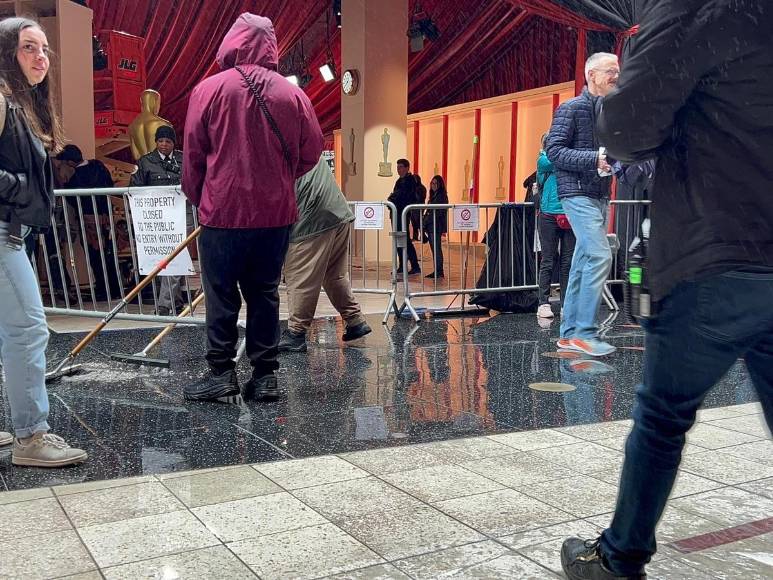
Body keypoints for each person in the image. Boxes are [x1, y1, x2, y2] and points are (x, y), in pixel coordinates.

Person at [560, 2, 773, 579]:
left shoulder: (693, 8)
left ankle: (619, 558)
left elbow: (628, 127)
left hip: (715, 245)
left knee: (662, 415)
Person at [182, 13, 323, 403]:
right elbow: (311, 152)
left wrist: (201, 199)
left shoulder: (207, 90)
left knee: (221, 294)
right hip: (274, 216)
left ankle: (221, 374)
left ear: (232, 42)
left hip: (223, 214)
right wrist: (280, 179)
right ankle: (265, 377)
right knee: (265, 294)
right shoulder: (293, 94)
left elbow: (193, 156)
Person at [0, 17, 87, 466]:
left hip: (13, 232)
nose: (41, 58)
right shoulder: (1, 99)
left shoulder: (20, 103)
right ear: (6, 52)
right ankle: (31, 436)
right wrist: (22, 188)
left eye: (45, 49)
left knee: (10, 331)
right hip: (2, 233)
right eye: (28, 48)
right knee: (28, 329)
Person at [546, 52, 619, 357]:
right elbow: (554, 150)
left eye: (618, 71)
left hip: (599, 193)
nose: (616, 76)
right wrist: (594, 159)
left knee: (581, 263)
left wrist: (613, 162)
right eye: (610, 71)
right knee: (600, 254)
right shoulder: (571, 108)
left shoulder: (609, 113)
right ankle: (585, 333)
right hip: (575, 193)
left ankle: (569, 334)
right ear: (591, 75)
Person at [278, 155, 372, 353]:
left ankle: (296, 333)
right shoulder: (302, 135)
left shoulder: (267, 140)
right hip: (336, 210)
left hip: (310, 219)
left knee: (299, 277)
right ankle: (355, 320)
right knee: (334, 275)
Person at [130, 124, 187, 316]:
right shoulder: (146, 162)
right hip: (158, 219)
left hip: (182, 215)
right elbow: (135, 188)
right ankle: (174, 301)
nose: (164, 145)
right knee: (168, 258)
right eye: (160, 141)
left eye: (168, 141)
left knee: (174, 257)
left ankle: (165, 304)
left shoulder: (183, 159)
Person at [56, 143, 121, 301]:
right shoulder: (98, 166)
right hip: (105, 217)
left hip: (88, 220)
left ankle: (103, 288)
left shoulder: (76, 177)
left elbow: (72, 197)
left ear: (70, 162)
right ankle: (114, 287)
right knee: (108, 254)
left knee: (95, 255)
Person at [536, 133, 576, 319]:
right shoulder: (543, 160)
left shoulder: (567, 157)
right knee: (548, 260)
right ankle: (543, 303)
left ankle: (566, 303)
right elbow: (552, 163)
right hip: (548, 216)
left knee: (567, 262)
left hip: (569, 214)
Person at [388, 158, 420, 276]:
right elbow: (394, 196)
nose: (398, 169)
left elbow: (401, 196)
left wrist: (393, 198)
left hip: (402, 214)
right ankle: (403, 265)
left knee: (404, 240)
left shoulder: (410, 181)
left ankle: (412, 265)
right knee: (399, 240)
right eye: (397, 167)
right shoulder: (399, 181)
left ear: (407, 168)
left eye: (401, 167)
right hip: (396, 213)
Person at [422, 175, 448, 278]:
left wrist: (425, 222)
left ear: (440, 184)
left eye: (435, 183)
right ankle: (438, 270)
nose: (433, 185)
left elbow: (435, 213)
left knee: (436, 249)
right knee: (435, 249)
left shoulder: (440, 196)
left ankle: (439, 271)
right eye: (432, 183)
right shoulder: (434, 196)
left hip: (435, 226)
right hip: (431, 225)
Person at [410, 173, 427, 241]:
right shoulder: (413, 188)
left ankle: (423, 237)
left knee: (418, 222)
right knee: (414, 223)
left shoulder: (421, 188)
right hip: (413, 208)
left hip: (418, 208)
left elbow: (420, 198)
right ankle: (415, 237)